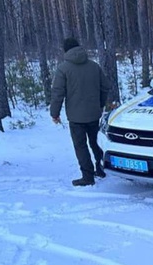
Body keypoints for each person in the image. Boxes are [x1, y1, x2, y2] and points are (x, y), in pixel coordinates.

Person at [50, 37, 111, 186]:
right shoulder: (94, 66)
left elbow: (58, 93)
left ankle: (87, 176)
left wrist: (54, 113)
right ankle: (101, 168)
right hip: (94, 113)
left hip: (76, 117)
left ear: (65, 50)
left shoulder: (63, 68)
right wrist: (100, 104)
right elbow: (105, 87)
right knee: (95, 142)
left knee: (81, 146)